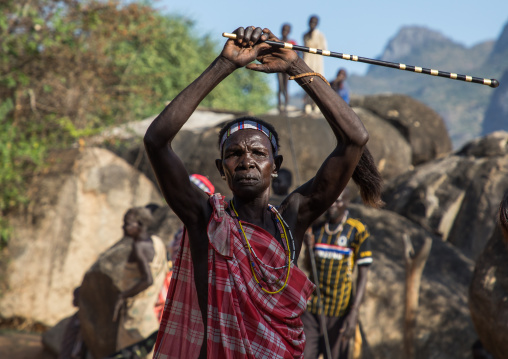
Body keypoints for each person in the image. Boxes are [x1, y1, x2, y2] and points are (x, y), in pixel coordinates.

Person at [144, 25, 382, 359]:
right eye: (234, 154)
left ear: (275, 165)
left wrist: (296, 66)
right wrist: (225, 64)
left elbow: (355, 139)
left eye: (258, 153)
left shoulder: (293, 218)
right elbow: (156, 141)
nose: (246, 161)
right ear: (222, 168)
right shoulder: (205, 219)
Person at [301, 187, 371, 358]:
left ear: (347, 203)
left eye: (338, 201)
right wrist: (308, 247)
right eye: (331, 200)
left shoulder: (357, 231)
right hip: (312, 309)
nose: (333, 205)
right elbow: (310, 268)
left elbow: (363, 274)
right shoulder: (316, 228)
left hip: (339, 311)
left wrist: (353, 313)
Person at [113, 207, 168, 359]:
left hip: (137, 311)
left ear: (140, 224)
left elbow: (148, 279)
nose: (123, 227)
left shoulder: (138, 247)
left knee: (129, 352)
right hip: (151, 308)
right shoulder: (157, 242)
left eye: (127, 224)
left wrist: (123, 295)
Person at [303, 15, 327, 114]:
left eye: (314, 22)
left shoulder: (320, 36)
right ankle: (307, 104)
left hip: (317, 62)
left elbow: (324, 49)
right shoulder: (305, 35)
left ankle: (316, 105)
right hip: (307, 61)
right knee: (307, 82)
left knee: (317, 82)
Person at [277, 23, 296, 115]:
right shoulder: (277, 41)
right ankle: (280, 106)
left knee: (286, 87)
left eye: (286, 30)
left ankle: (285, 106)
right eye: (283, 30)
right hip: (278, 66)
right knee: (280, 86)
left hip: (287, 67)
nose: (284, 32)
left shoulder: (291, 43)